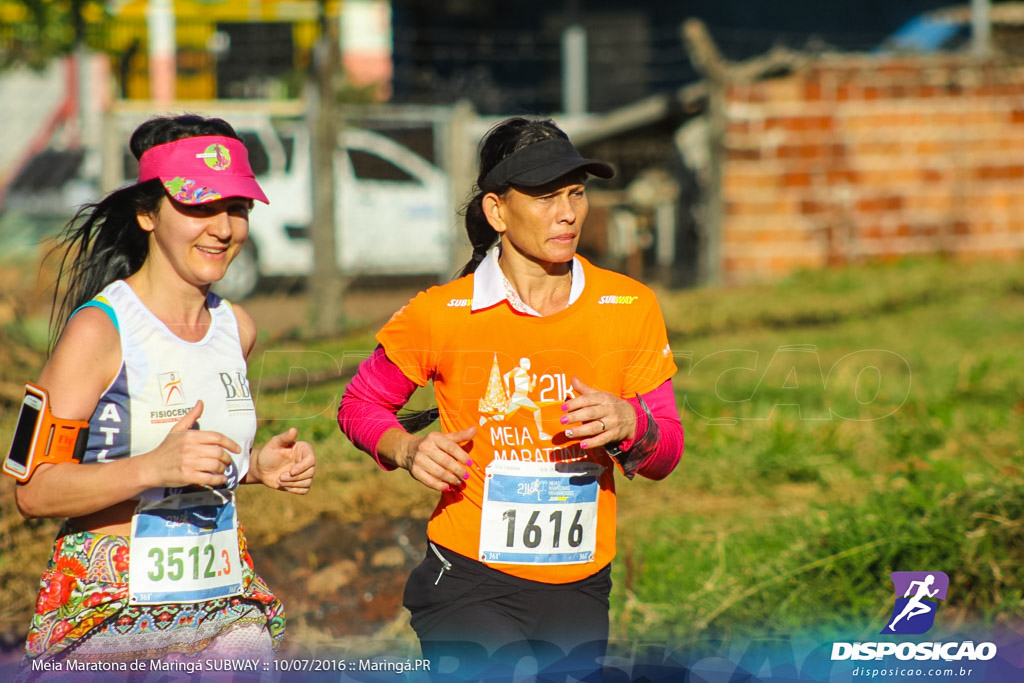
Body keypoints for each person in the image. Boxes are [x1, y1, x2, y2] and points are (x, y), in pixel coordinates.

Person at [338, 117, 683, 678]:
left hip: (580, 581)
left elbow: (668, 451)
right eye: (546, 196)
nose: (568, 212)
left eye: (576, 193)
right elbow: (358, 405)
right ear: (497, 211)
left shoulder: (630, 306)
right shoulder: (441, 312)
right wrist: (406, 450)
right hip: (470, 578)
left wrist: (631, 423)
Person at [10, 114, 316, 670]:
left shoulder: (237, 326)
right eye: (200, 206)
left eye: (238, 208)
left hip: (223, 601)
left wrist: (252, 467)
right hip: (110, 615)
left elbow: (194, 459)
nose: (223, 229)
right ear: (147, 213)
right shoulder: (100, 330)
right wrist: (152, 467)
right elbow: (33, 492)